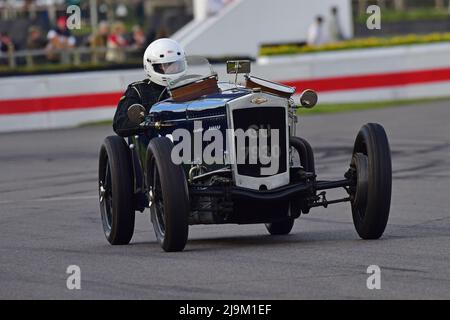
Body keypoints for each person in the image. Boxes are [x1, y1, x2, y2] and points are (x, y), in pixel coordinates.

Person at [113, 38, 187, 138]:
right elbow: (120, 125)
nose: (173, 69)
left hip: (189, 138)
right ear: (152, 66)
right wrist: (148, 121)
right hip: (154, 143)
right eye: (166, 65)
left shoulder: (190, 86)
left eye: (176, 64)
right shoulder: (138, 90)